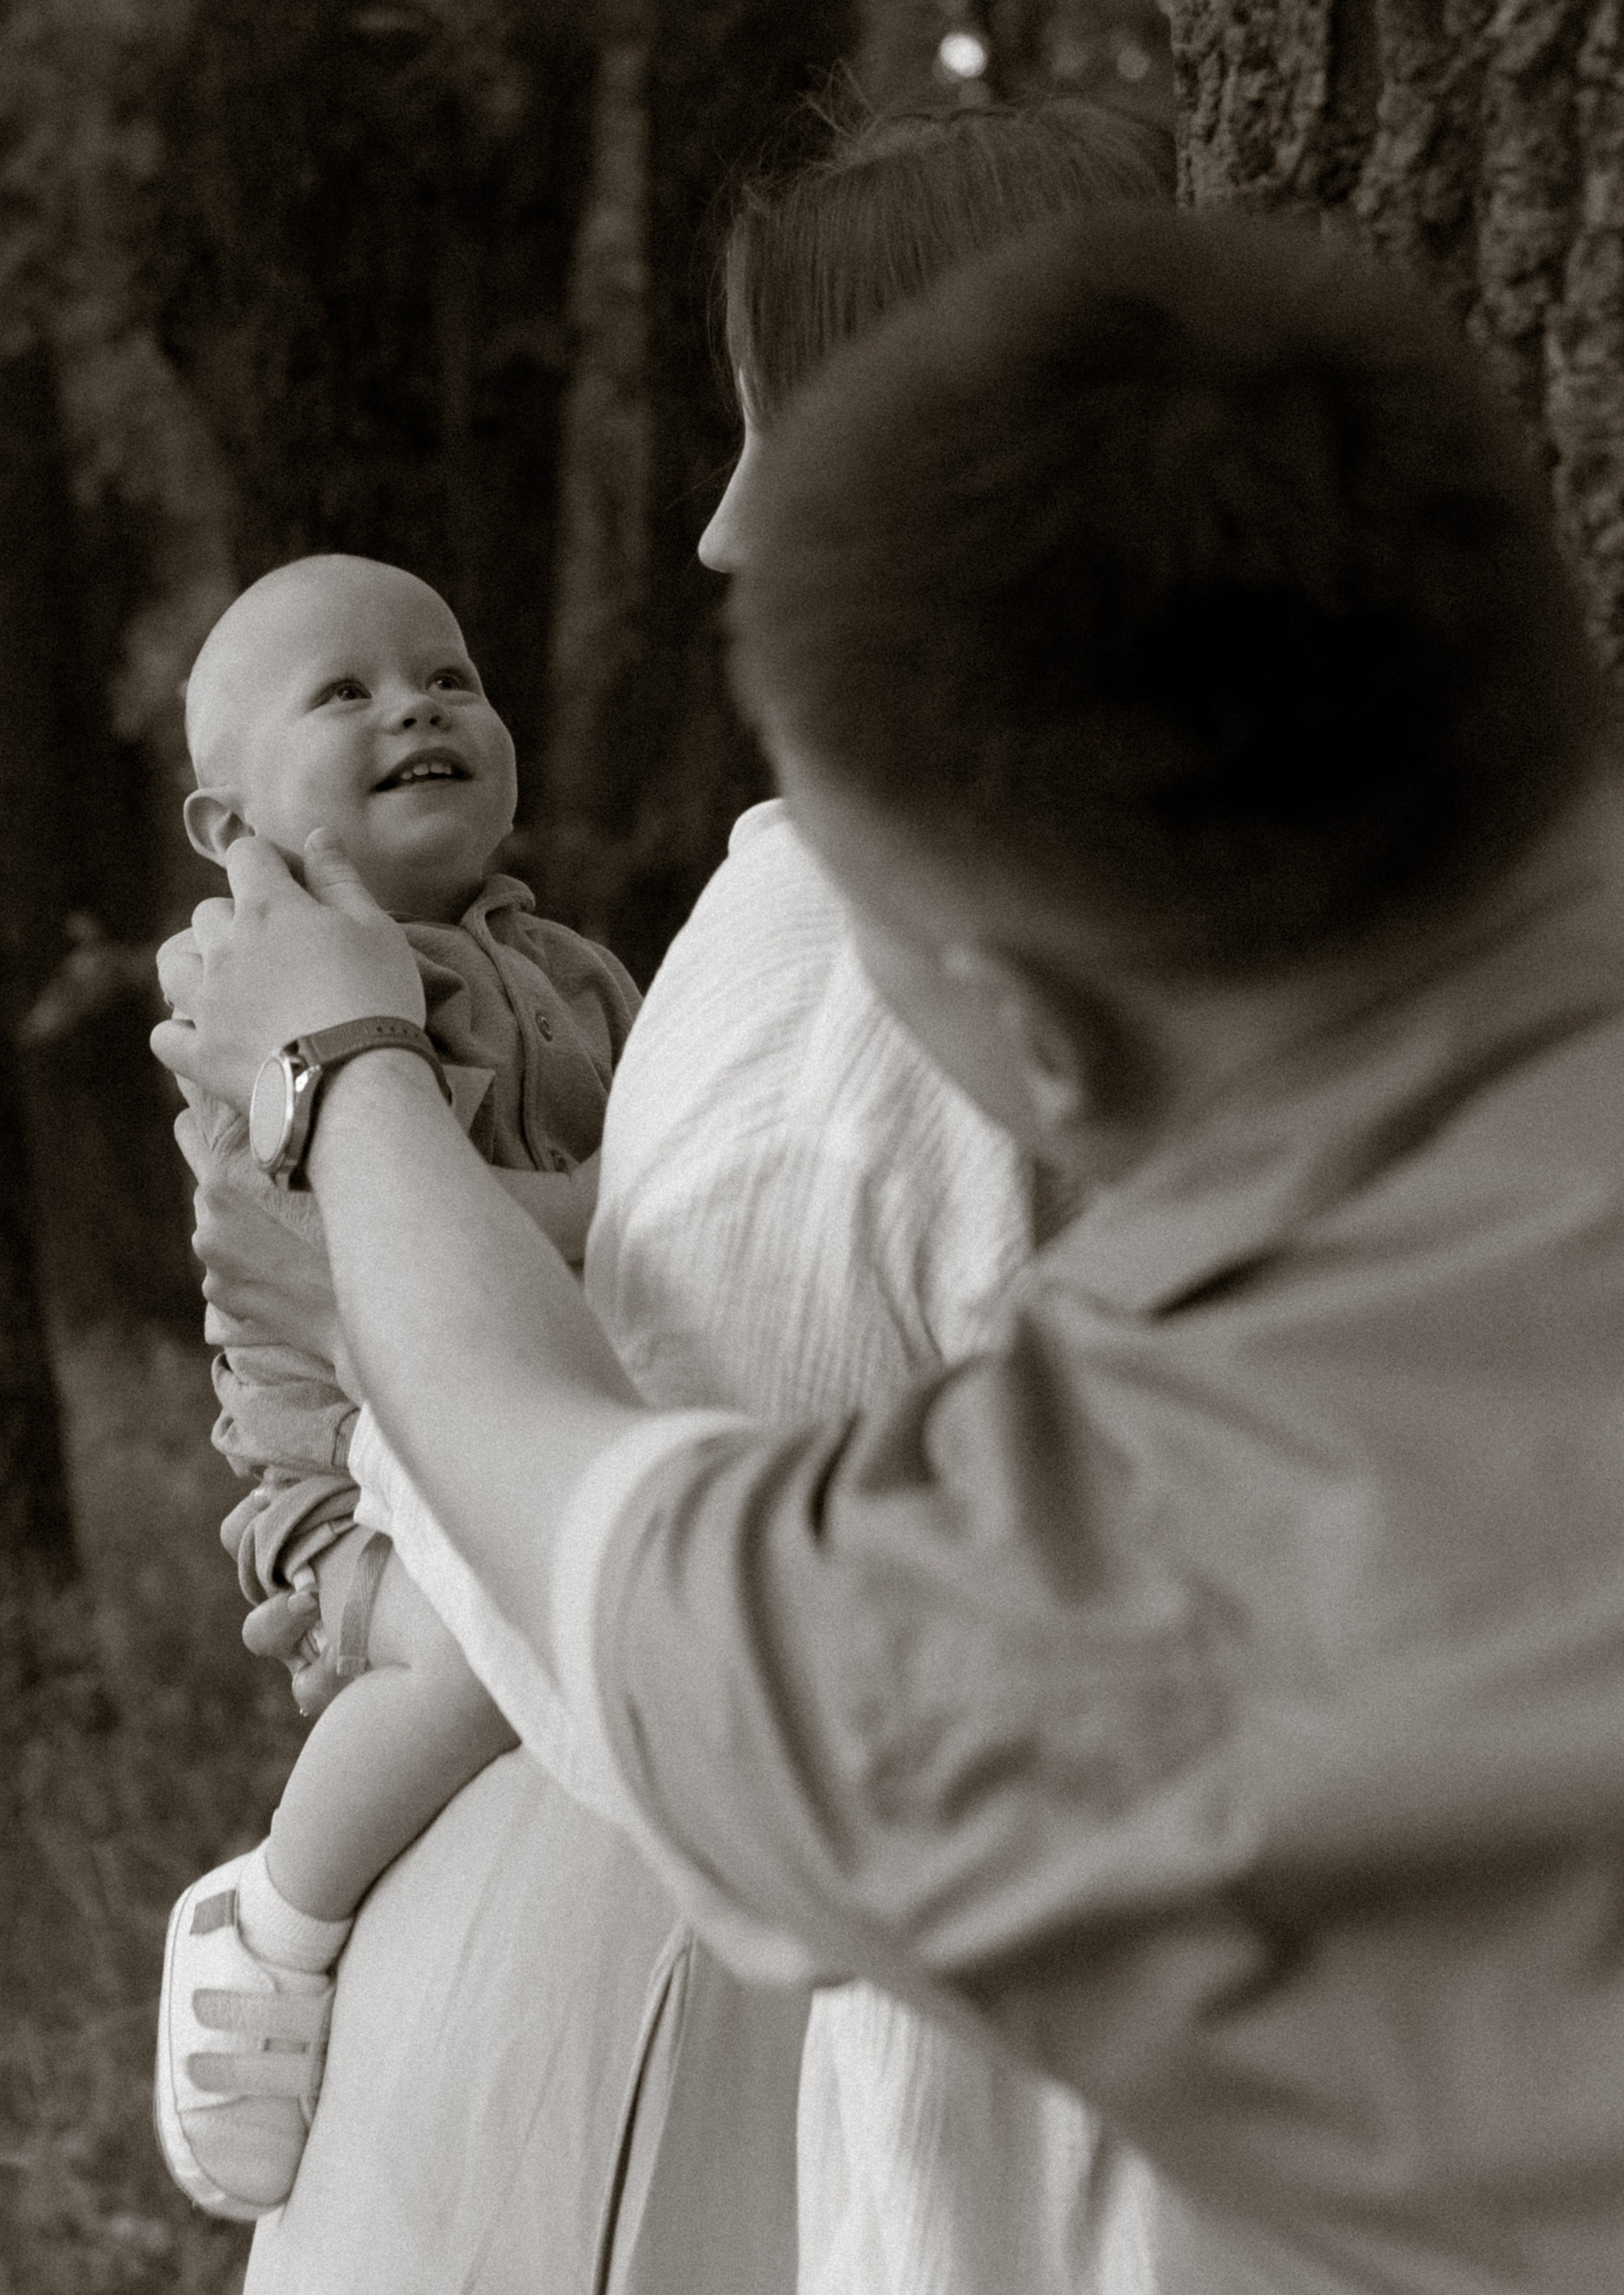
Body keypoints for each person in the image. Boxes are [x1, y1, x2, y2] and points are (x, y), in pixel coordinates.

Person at [157, 204, 1624, 2292]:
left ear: (1018, 1029)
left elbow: (596, 1544)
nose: (714, 525)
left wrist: (341, 1071)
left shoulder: (1101, 1571)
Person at [590, 96, 1168, 2295]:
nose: (723, 535)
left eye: (776, 435)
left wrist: (340, 1103)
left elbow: (665, 1635)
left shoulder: (863, 980)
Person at [155, 552, 637, 2222]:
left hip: (534, 1421)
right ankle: (276, 1921)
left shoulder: (572, 972)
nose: (414, 704)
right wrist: (620, 1220)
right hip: (356, 1483)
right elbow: (390, 1245)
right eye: (342, 692)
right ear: (233, 834)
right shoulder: (247, 1013)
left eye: (446, 674)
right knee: (479, 1647)